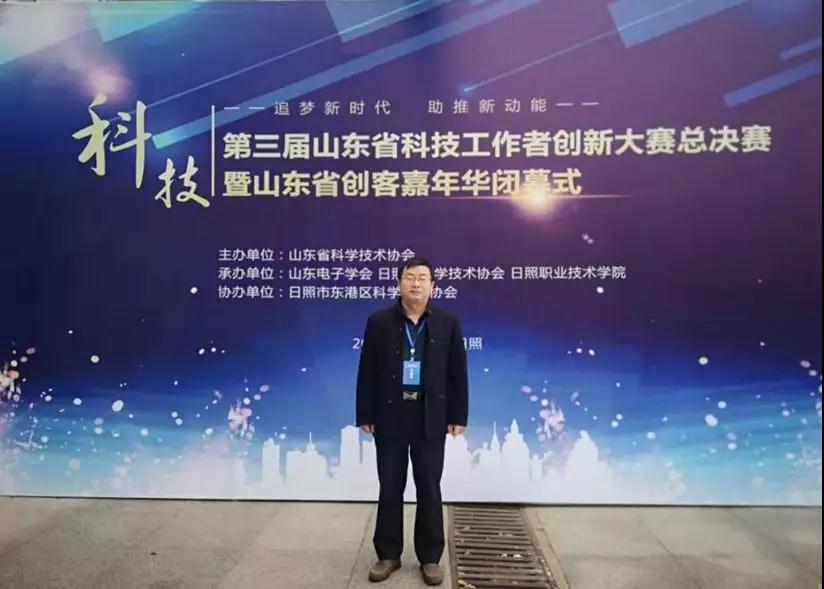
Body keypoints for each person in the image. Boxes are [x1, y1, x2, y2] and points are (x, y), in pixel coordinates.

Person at [356, 257, 469, 586]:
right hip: (390, 414)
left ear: (433, 285)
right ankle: (388, 554)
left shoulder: (447, 322)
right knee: (390, 486)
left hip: (430, 415)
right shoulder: (379, 322)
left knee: (429, 487)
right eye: (409, 277)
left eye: (422, 278)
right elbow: (366, 370)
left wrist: (458, 415)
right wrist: (366, 413)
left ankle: (430, 557)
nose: (416, 283)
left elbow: (458, 373)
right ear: (399, 283)